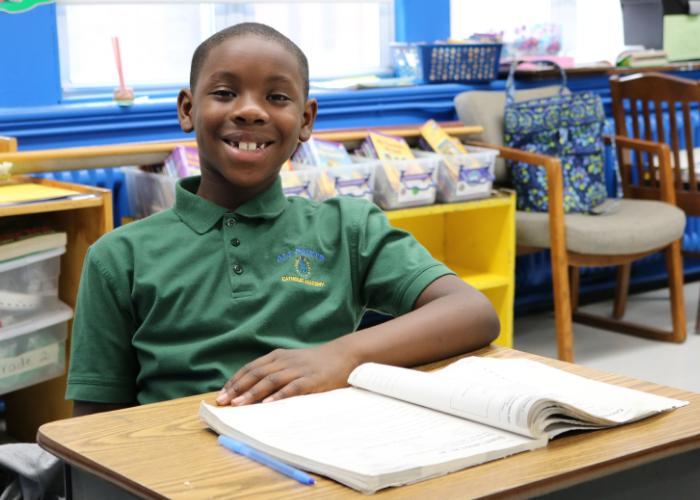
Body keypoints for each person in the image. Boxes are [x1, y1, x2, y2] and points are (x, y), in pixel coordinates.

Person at [66, 22, 500, 417]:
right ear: (187, 109)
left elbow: (472, 312)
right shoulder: (119, 257)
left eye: (276, 97)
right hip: (184, 466)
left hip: (320, 452)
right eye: (224, 93)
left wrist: (341, 355)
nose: (251, 111)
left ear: (306, 120)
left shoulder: (350, 227)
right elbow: (95, 427)